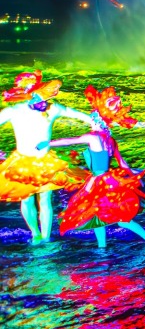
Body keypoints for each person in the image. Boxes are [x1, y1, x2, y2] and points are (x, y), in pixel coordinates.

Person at [41, 86, 145, 248]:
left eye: (92, 118)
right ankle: (103, 246)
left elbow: (70, 141)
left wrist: (47, 143)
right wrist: (135, 177)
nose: (90, 121)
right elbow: (123, 164)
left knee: (114, 217)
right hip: (111, 181)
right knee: (98, 215)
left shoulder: (93, 137)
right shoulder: (110, 140)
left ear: (98, 121)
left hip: (98, 181)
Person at [0, 71, 93, 243]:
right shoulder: (13, 111)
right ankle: (35, 233)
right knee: (27, 200)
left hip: (46, 162)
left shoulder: (53, 109)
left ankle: (46, 236)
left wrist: (96, 122)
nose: (44, 101)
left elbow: (74, 113)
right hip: (21, 163)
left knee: (45, 199)